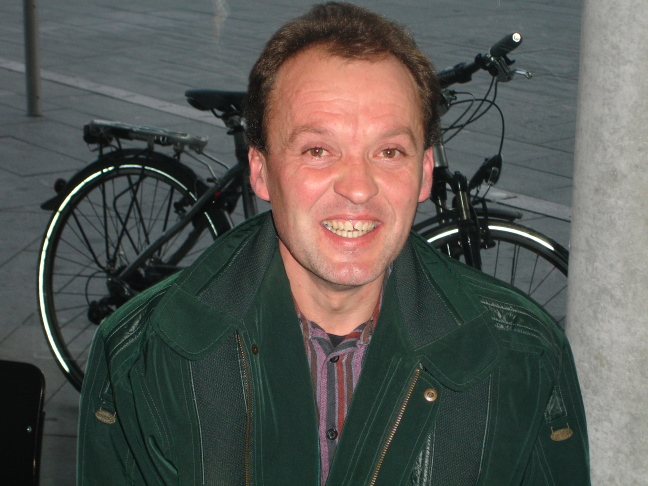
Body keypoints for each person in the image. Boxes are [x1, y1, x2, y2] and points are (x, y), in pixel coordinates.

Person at [77, 2, 590, 484]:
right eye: (318, 150)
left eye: (389, 151)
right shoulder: (142, 355)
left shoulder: (524, 358)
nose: (358, 188)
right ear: (261, 170)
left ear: (424, 172)